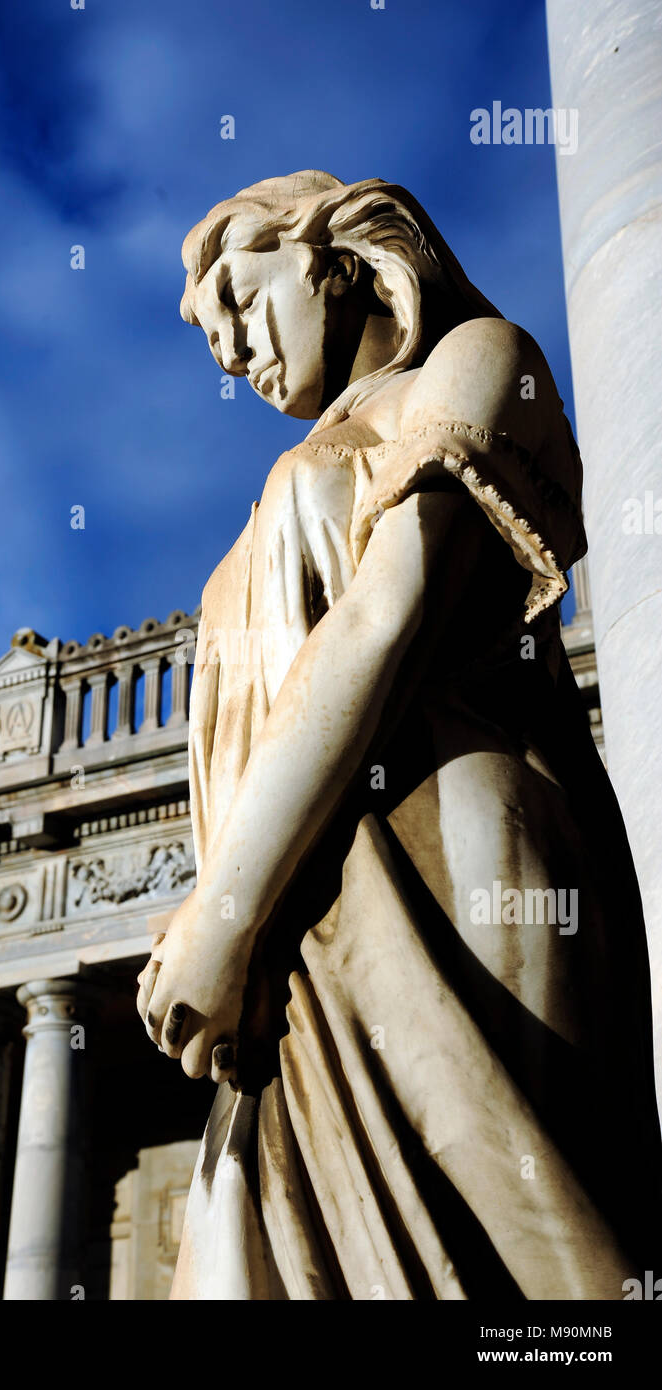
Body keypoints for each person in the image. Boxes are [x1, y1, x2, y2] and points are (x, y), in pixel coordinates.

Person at [136, 171, 662, 1299]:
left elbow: (384, 613)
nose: (229, 353)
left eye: (238, 298)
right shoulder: (293, 470)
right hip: (294, 904)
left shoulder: (476, 360)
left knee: (513, 1263)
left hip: (456, 859)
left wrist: (220, 912)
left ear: (332, 247)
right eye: (209, 339)